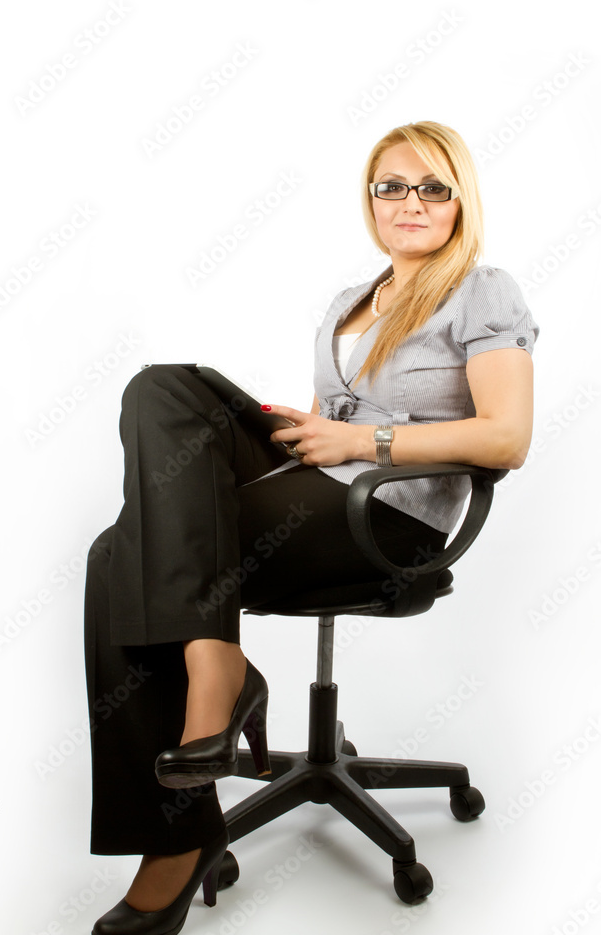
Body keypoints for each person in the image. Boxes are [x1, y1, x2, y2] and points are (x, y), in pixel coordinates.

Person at [84, 119, 539, 933]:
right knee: (162, 388)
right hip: (319, 483)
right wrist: (301, 430)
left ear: (459, 200)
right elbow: (331, 422)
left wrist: (362, 441)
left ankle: (178, 832)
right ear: (370, 199)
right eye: (391, 186)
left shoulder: (482, 289)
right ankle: (212, 682)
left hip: (388, 514)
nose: (410, 202)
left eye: (432, 187)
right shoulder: (349, 301)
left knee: (120, 558)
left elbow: (506, 437)